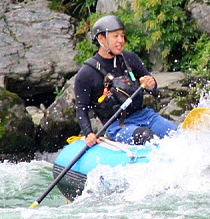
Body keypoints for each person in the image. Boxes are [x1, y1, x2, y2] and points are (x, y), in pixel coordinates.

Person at [74, 15, 179, 146]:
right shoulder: (86, 73)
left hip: (145, 116)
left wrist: (151, 85)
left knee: (177, 135)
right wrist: (88, 133)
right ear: (101, 38)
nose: (121, 40)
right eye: (116, 36)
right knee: (146, 136)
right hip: (117, 125)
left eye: (122, 36)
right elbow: (81, 108)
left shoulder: (130, 59)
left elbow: (154, 91)